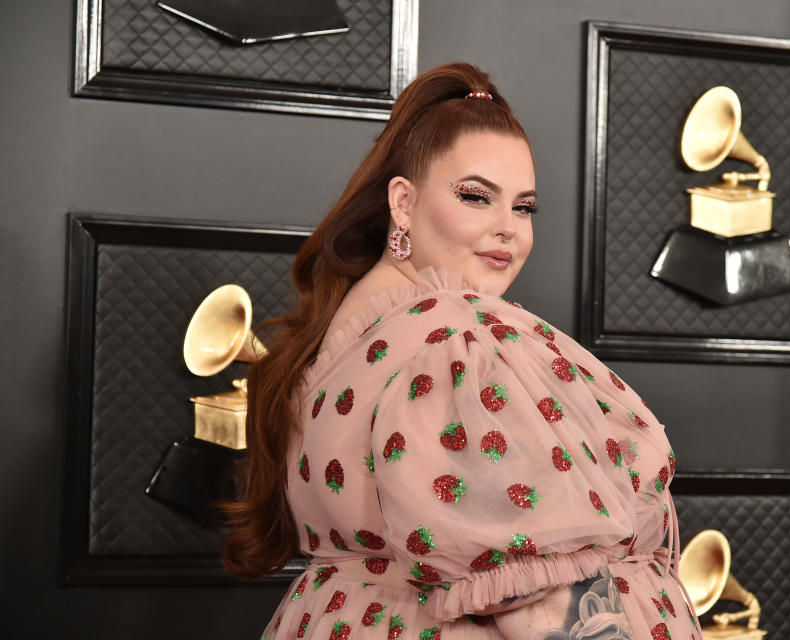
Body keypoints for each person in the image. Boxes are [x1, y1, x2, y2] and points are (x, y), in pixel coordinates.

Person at [223, 62, 702, 640]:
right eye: (477, 197)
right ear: (403, 201)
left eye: (523, 207)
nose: (509, 229)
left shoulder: (338, 338)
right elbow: (536, 606)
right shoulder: (454, 339)